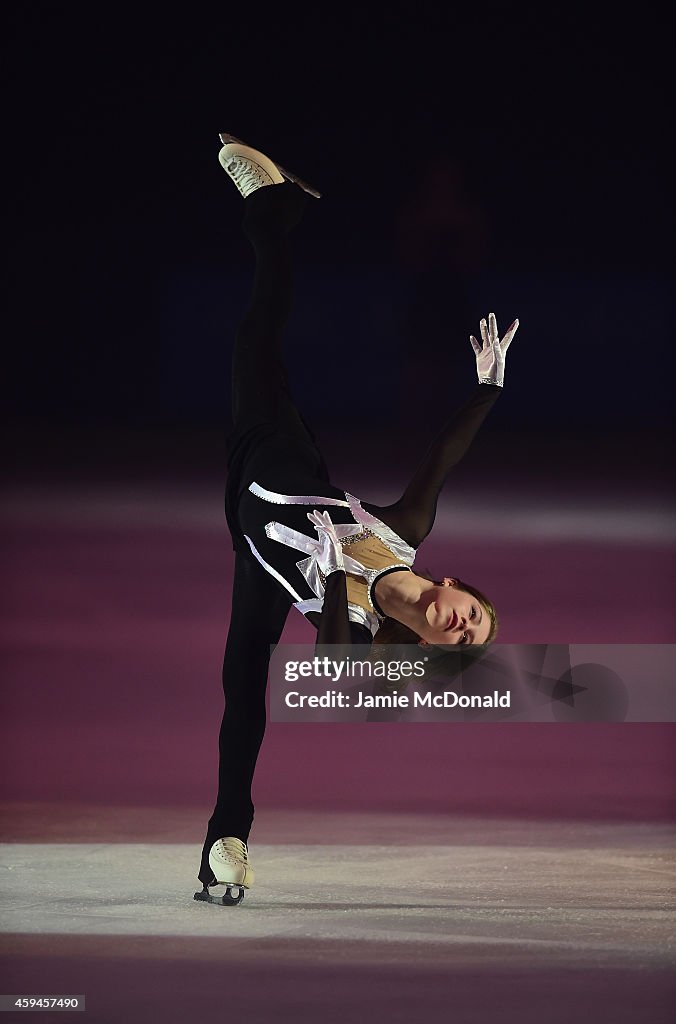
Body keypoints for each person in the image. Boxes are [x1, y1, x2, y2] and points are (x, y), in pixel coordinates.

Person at [195, 134, 519, 905]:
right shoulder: (407, 532)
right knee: (255, 343)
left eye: (462, 638)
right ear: (455, 586)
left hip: (261, 549)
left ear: (432, 645)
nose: (464, 626)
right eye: (474, 616)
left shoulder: (367, 643)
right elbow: (440, 461)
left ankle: (223, 843)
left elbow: (334, 658)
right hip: (276, 471)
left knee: (245, 685)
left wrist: (347, 588)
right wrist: (489, 389)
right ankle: (270, 212)